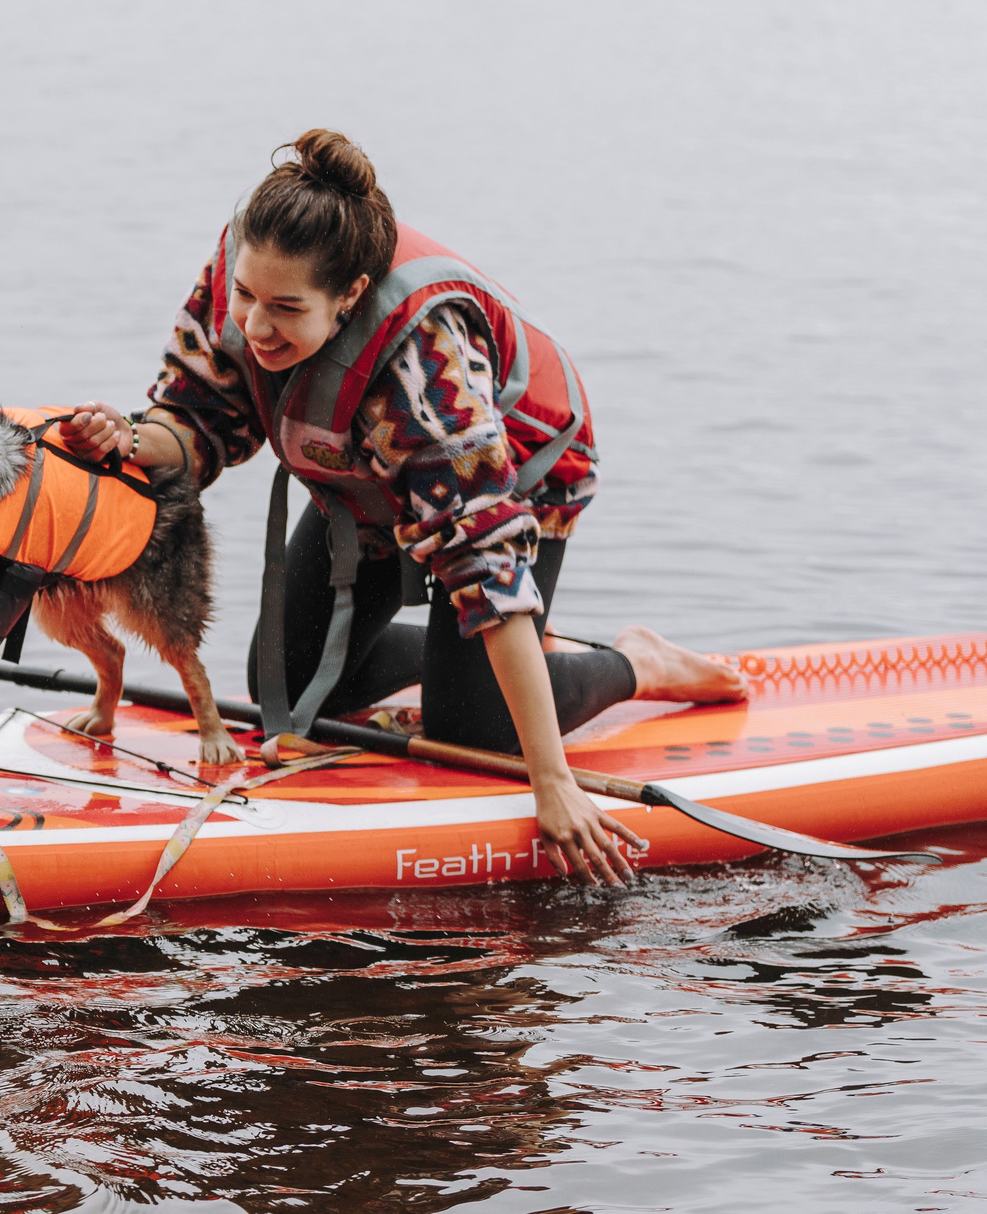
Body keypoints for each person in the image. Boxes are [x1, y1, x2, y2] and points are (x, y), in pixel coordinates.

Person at [63, 129, 742, 885]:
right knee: (281, 686)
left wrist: (553, 783)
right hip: (365, 481)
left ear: (350, 296)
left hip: (512, 477)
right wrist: (131, 438)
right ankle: (487, 658)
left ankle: (635, 662)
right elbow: (199, 417)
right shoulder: (247, 264)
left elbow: (481, 560)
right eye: (247, 297)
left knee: (474, 727)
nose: (254, 326)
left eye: (285, 309)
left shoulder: (424, 364)